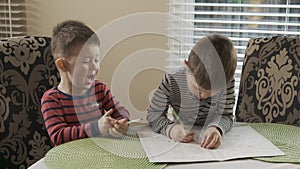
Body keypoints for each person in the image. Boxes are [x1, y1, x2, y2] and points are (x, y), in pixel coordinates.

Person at [41, 20, 130, 146]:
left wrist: (120, 123)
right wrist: (96, 128)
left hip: (101, 153)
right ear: (63, 65)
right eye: (86, 61)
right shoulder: (52, 99)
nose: (94, 67)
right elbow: (58, 136)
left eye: (96, 60)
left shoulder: (100, 89)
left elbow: (121, 111)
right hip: (70, 159)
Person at [147, 34, 237, 149]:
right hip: (181, 142)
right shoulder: (172, 81)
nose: (203, 96)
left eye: (210, 92)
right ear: (187, 67)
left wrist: (216, 128)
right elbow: (153, 114)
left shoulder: (226, 83)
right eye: (198, 89)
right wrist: (171, 129)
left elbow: (226, 115)